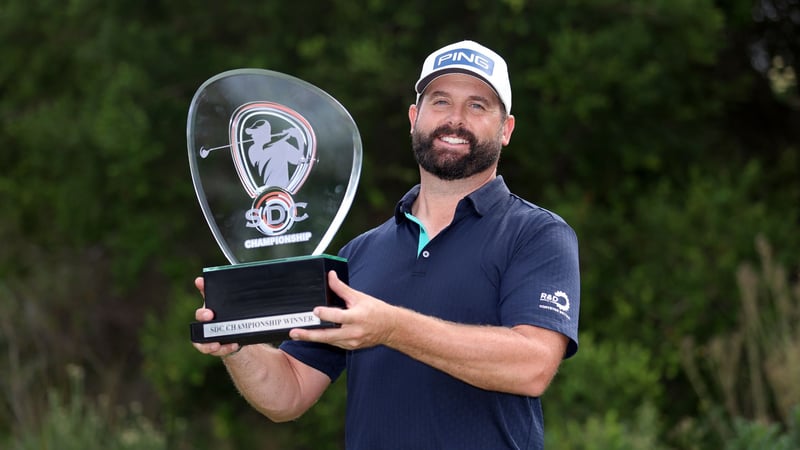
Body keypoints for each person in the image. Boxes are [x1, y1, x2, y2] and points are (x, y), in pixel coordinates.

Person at [193, 40, 580, 450]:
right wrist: (236, 345)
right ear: (414, 118)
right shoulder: (359, 254)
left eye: (478, 106)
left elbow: (532, 366)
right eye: (440, 102)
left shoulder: (537, 235)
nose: (455, 119)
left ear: (506, 130)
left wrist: (391, 328)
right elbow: (288, 394)